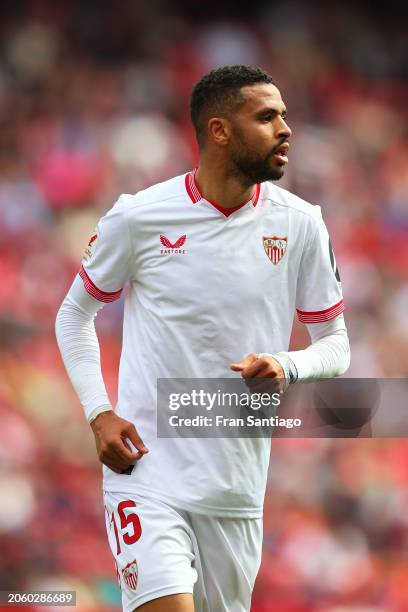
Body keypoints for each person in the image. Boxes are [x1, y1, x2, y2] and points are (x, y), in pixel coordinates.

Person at [56, 65, 350, 612]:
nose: (285, 128)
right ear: (219, 130)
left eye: (285, 115)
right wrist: (99, 413)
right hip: (146, 474)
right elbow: (73, 316)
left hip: (236, 493)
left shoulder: (302, 223)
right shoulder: (139, 217)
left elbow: (335, 343)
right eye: (267, 117)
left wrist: (287, 365)